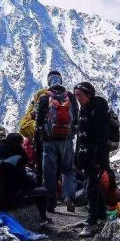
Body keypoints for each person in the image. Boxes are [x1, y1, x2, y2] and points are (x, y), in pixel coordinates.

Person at [35, 70, 78, 213]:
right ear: (60, 80)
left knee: (49, 172)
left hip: (49, 141)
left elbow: (39, 120)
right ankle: (69, 197)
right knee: (68, 170)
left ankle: (50, 203)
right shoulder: (70, 97)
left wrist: (41, 135)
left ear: (49, 82)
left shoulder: (44, 97)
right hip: (66, 140)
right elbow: (76, 118)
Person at [73, 81, 110, 236]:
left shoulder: (98, 109)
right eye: (76, 96)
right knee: (93, 185)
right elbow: (81, 136)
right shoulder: (84, 109)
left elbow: (101, 137)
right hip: (85, 156)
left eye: (80, 95)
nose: (78, 99)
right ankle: (100, 215)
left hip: (96, 157)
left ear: (88, 94)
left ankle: (92, 220)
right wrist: (77, 157)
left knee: (91, 187)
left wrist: (97, 158)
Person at [0, 133, 50, 224]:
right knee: (43, 191)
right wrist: (33, 182)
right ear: (18, 144)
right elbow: (25, 183)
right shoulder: (16, 158)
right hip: (10, 198)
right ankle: (42, 218)